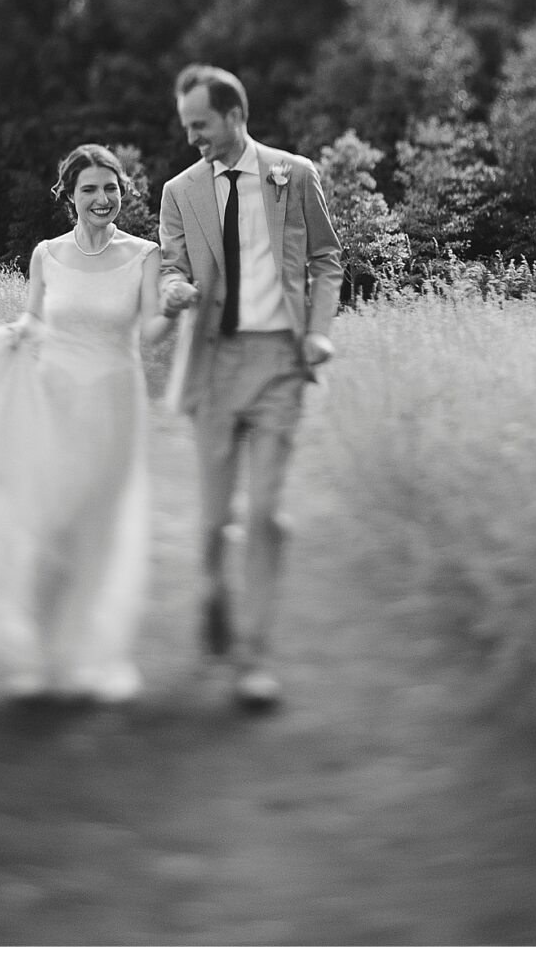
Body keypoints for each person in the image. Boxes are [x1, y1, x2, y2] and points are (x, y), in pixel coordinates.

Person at [0, 143, 170, 701]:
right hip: (53, 400)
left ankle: (94, 660)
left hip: (115, 400)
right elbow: (35, 316)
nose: (102, 198)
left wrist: (174, 309)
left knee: (99, 529)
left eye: (110, 187)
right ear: (70, 197)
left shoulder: (146, 255)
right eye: (90, 189)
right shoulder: (46, 254)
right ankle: (43, 658)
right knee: (48, 527)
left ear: (123, 192)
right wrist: (17, 331)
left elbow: (149, 332)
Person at [157, 63, 343, 709]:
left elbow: (326, 260)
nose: (192, 139)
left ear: (235, 116)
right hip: (213, 367)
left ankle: (253, 659)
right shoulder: (178, 192)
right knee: (215, 520)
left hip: (278, 367)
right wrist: (173, 290)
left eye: (200, 125)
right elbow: (171, 268)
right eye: (186, 127)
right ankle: (212, 590)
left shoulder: (295, 175)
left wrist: (317, 332)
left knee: (264, 512)